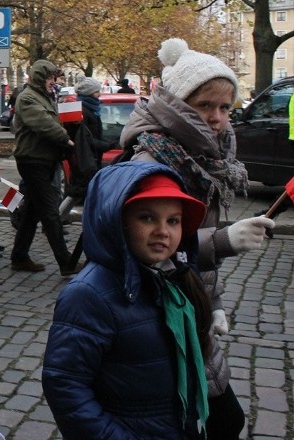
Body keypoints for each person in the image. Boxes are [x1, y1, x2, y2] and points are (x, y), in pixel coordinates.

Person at [119, 37, 275, 439]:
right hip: (161, 318)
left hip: (192, 310)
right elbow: (150, 251)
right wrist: (223, 241)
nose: (218, 117)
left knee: (217, 421)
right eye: (205, 105)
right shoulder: (155, 160)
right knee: (214, 422)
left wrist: (214, 301)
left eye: (225, 107)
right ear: (178, 104)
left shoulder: (207, 158)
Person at [43, 162, 212, 439]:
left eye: (173, 220)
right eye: (147, 218)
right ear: (117, 222)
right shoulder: (89, 295)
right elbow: (65, 384)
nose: (162, 231)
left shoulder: (171, 278)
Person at [10, 60, 81, 275]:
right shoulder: (28, 97)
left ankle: (19, 256)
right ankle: (65, 262)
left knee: (32, 211)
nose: (54, 82)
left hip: (44, 160)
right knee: (50, 212)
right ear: (41, 78)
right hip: (32, 161)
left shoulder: (43, 96)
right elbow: (43, 123)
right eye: (51, 78)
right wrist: (66, 139)